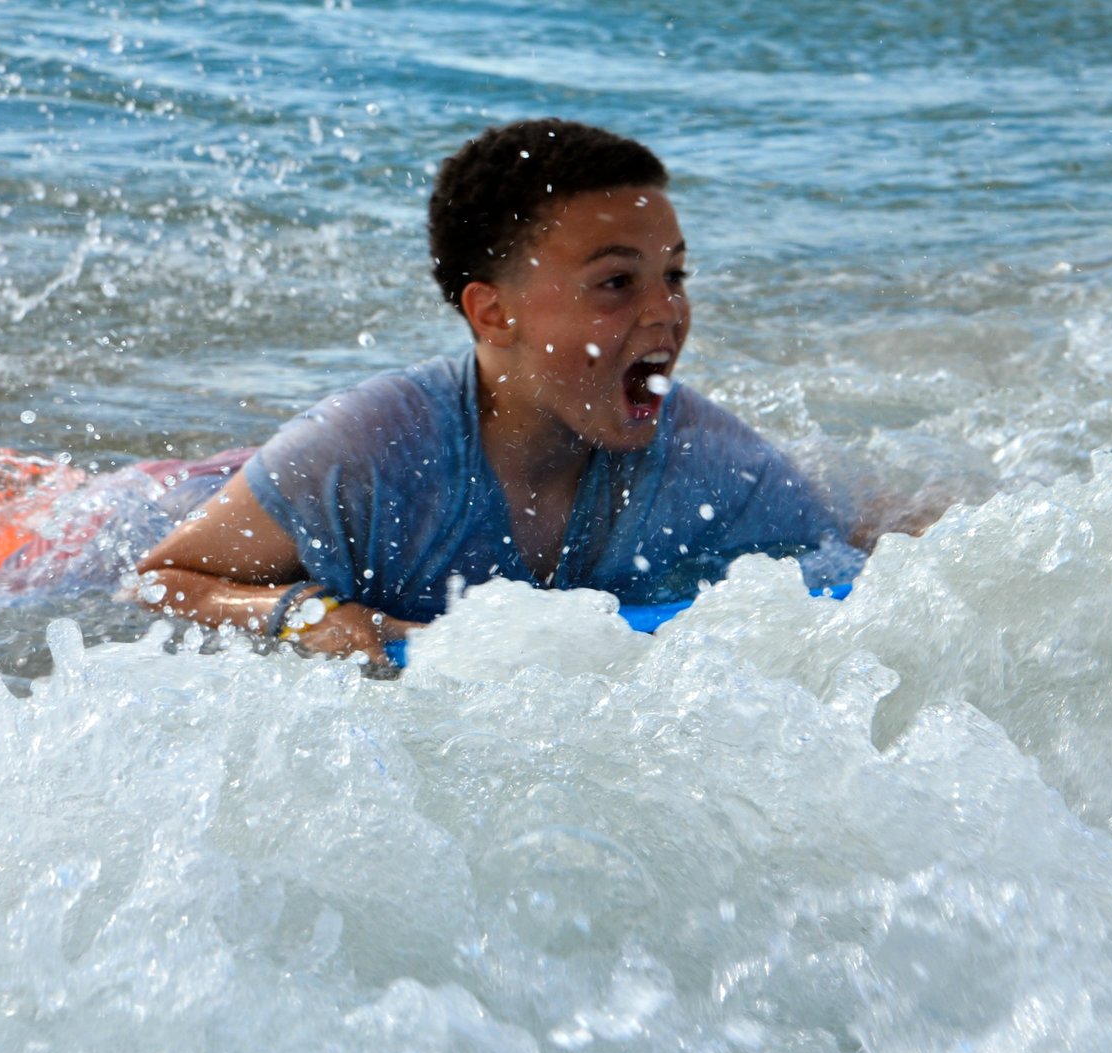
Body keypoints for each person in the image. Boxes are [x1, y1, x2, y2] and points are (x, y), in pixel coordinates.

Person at [135, 119, 861, 662]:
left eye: (674, 275)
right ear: (492, 312)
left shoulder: (715, 466)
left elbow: (841, 568)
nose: (666, 311)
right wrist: (301, 617)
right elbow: (160, 579)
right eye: (617, 282)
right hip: (174, 506)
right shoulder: (370, 449)